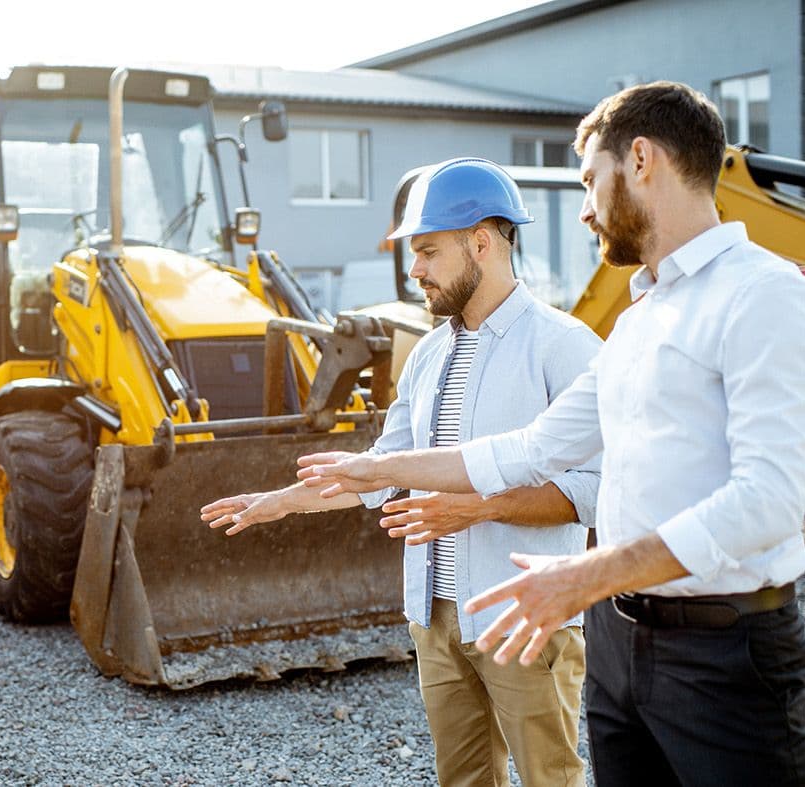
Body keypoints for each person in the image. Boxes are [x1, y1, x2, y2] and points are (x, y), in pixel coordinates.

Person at [297, 81, 805, 787]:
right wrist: (373, 470)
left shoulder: (767, 298)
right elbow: (531, 447)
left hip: (726, 652)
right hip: (621, 644)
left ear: (640, 159)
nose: (585, 209)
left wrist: (583, 574)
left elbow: (767, 501)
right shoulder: (640, 318)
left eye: (590, 180)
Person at [202, 158, 602, 787]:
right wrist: (282, 501)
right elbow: (384, 472)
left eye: (427, 251)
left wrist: (482, 507)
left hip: (524, 618)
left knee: (552, 779)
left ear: (482, 242)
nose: (414, 269)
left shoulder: (564, 346)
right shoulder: (428, 355)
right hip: (434, 617)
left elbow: (592, 493)